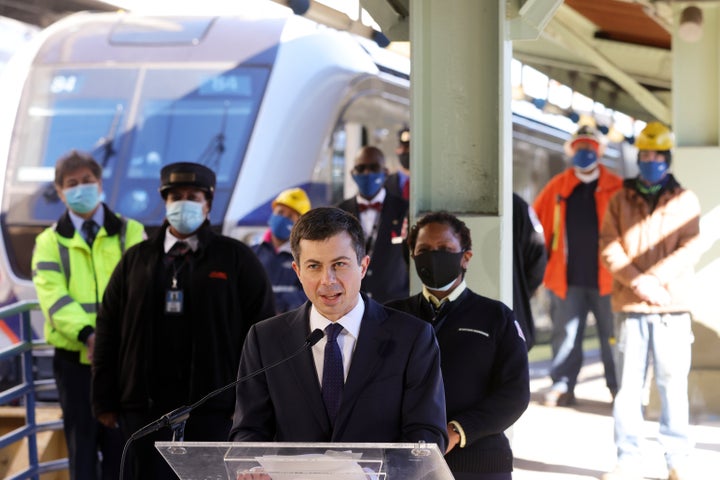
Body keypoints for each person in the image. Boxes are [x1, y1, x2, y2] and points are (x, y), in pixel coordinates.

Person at [91, 162, 275, 480]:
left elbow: (263, 332)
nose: (183, 203)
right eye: (176, 196)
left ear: (208, 203)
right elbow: (108, 327)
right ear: (165, 202)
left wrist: (251, 403)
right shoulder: (136, 260)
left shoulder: (236, 258)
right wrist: (104, 398)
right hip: (143, 409)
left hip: (216, 408)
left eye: (193, 196)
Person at [229, 207, 448, 453]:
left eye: (339, 264)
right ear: (297, 272)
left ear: (363, 266)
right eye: (314, 266)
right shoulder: (265, 338)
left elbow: (427, 434)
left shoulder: (412, 337)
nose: (327, 280)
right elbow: (249, 430)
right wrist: (252, 465)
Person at [386, 211, 530, 480]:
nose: (435, 256)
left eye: (445, 249)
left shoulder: (497, 317)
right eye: (425, 249)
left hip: (481, 462)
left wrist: (456, 431)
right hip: (407, 463)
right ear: (412, 255)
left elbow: (515, 394)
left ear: (466, 256)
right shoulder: (391, 316)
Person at [31, 150, 146, 480]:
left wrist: (110, 339)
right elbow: (53, 298)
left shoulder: (130, 232)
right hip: (75, 363)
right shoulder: (49, 242)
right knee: (81, 449)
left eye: (87, 181)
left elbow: (140, 291)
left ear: (99, 184)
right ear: (60, 189)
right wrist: (87, 334)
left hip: (123, 361)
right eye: (72, 183)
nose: (80, 188)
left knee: (123, 449)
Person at [599, 122, 701, 480]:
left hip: (671, 308)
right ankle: (628, 459)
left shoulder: (685, 200)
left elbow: (690, 246)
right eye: (645, 155)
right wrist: (638, 282)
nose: (651, 161)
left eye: (657, 155)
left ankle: (677, 460)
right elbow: (609, 246)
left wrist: (655, 279)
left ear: (668, 158)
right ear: (638, 158)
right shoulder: (619, 199)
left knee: (672, 386)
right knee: (628, 389)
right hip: (630, 307)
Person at [532, 124, 622, 406]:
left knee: (612, 335)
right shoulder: (557, 188)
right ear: (572, 151)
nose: (585, 153)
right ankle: (562, 385)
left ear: (599, 151)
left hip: (609, 278)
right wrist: (538, 270)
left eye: (590, 148)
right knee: (566, 335)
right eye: (580, 148)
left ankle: (618, 387)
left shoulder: (616, 188)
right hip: (565, 277)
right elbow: (536, 227)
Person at [337, 145, 409, 303]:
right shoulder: (339, 212)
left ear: (385, 173)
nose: (367, 173)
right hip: (352, 304)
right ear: (352, 174)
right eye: (361, 168)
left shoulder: (405, 210)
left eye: (373, 167)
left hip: (394, 304)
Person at [253, 187, 311, 313]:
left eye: (290, 216)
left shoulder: (306, 256)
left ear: (300, 224)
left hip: (289, 323)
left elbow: (310, 294)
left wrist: (277, 302)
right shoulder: (252, 252)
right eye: (280, 212)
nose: (283, 218)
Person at [512, 193, 547, 349]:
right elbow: (538, 258)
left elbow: (537, 252)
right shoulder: (516, 204)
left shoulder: (516, 206)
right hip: (514, 318)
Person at [384, 126, 411, 200]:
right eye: (403, 147)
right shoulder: (386, 183)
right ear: (397, 150)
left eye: (409, 147)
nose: (406, 151)